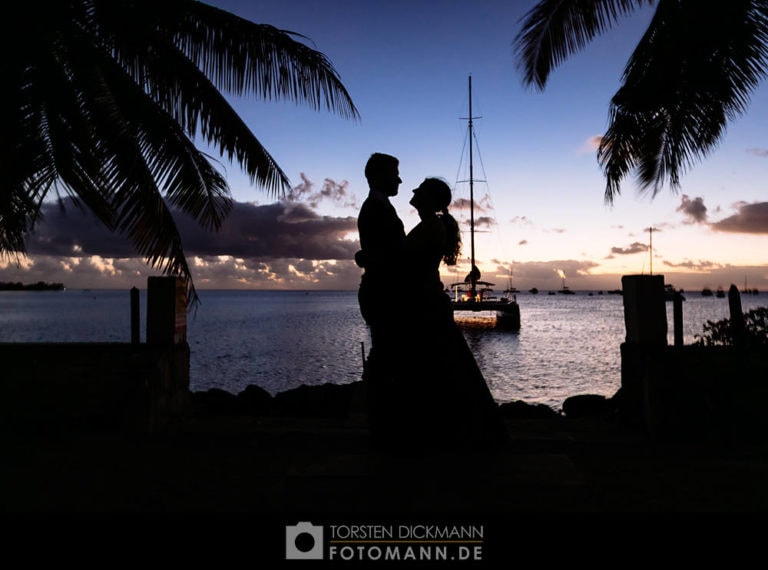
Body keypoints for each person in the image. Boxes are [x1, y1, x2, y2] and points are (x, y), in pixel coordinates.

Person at [402, 177, 508, 449]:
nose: (413, 190)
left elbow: (408, 263)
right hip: (428, 302)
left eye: (420, 189)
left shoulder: (430, 227)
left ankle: (455, 432)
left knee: (442, 366)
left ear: (430, 198)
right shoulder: (430, 225)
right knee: (446, 365)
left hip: (426, 304)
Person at [355, 152, 406, 445]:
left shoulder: (380, 206)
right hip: (383, 294)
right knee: (386, 360)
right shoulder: (375, 209)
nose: (399, 179)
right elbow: (387, 254)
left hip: (382, 292)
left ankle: (384, 425)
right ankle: (384, 428)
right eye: (394, 173)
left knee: (386, 358)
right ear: (378, 176)